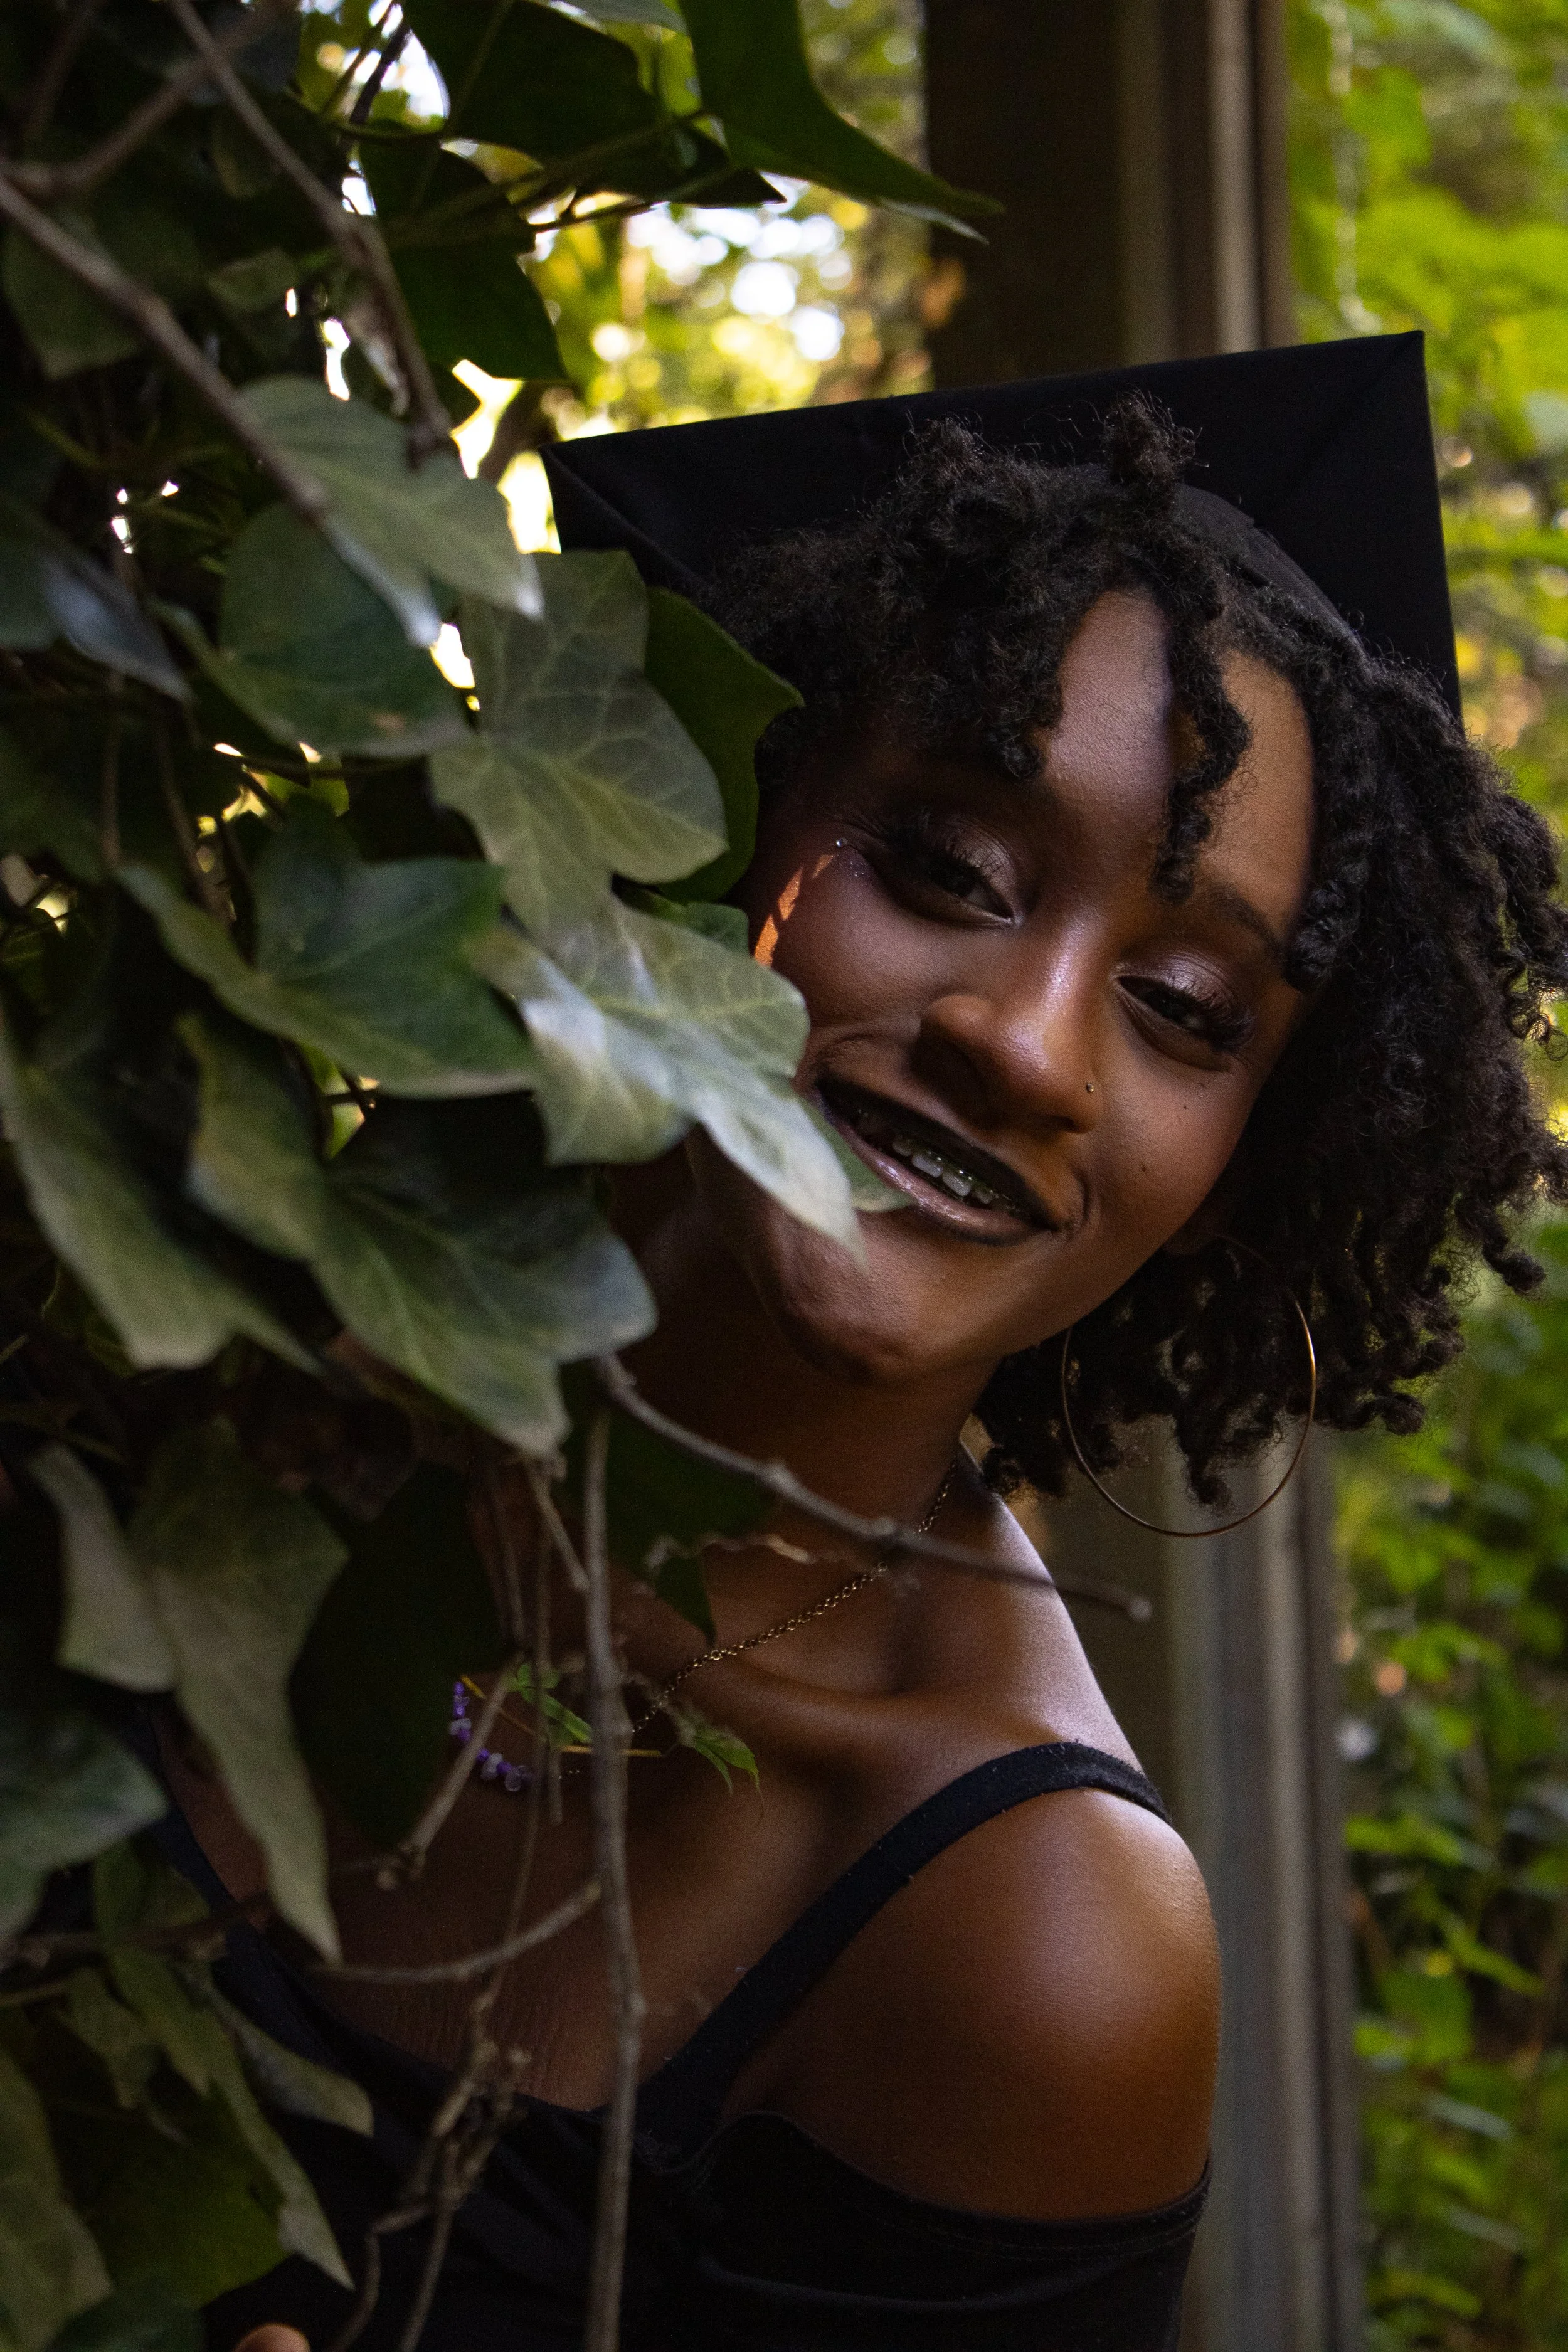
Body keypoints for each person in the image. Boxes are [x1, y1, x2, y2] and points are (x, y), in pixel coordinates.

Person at [174, 334, 1567, 2351]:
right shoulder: (165, 1337)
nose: (1024, 1038)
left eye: (1183, 1006)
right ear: (708, 821)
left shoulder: (1028, 1940)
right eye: (943, 869)